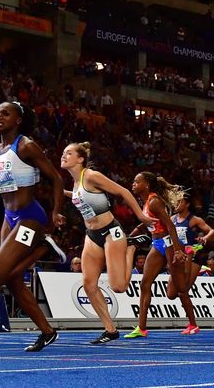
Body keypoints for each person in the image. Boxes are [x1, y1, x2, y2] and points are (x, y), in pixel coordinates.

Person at [0, 101, 65, 351]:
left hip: (30, 218)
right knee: (12, 278)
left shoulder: (26, 146)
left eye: (5, 113)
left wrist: (56, 211)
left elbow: (56, 178)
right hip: (9, 217)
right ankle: (47, 332)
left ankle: (44, 249)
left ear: (18, 120)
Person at [61, 142, 153, 344]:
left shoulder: (91, 176)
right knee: (88, 284)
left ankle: (131, 247)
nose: (63, 155)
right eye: (63, 153)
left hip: (111, 231)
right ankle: (110, 330)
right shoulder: (75, 183)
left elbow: (123, 192)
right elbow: (78, 197)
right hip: (91, 235)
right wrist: (62, 192)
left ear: (80, 159)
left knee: (119, 287)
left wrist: (141, 216)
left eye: (69, 153)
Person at [123, 172, 198, 339]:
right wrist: (134, 232)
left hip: (169, 243)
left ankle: (193, 323)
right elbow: (148, 220)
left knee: (180, 289)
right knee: (145, 283)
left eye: (137, 181)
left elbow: (170, 225)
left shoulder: (154, 201)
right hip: (157, 244)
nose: (133, 184)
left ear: (147, 185)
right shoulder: (145, 202)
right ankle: (141, 328)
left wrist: (178, 250)